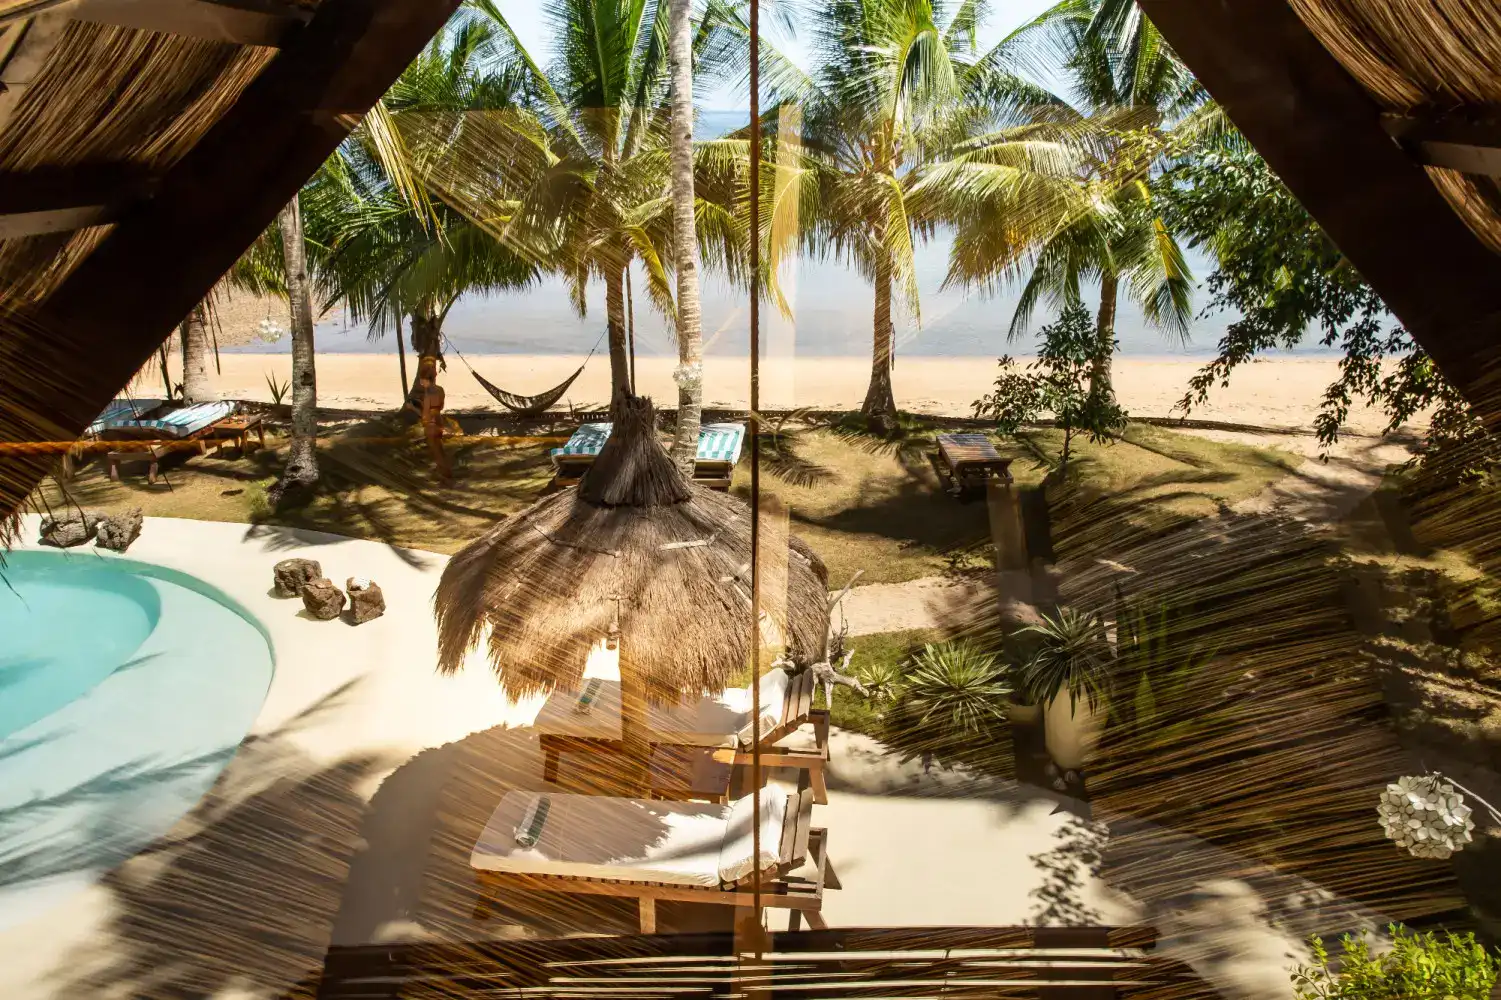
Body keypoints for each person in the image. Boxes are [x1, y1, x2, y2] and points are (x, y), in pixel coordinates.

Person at [408, 357, 453, 486]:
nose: (421, 383)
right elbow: (440, 407)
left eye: (421, 380)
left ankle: (444, 478)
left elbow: (424, 415)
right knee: (440, 450)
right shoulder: (440, 390)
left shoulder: (428, 393)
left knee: (436, 453)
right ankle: (447, 474)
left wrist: (413, 408)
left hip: (431, 424)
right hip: (439, 421)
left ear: (425, 379)